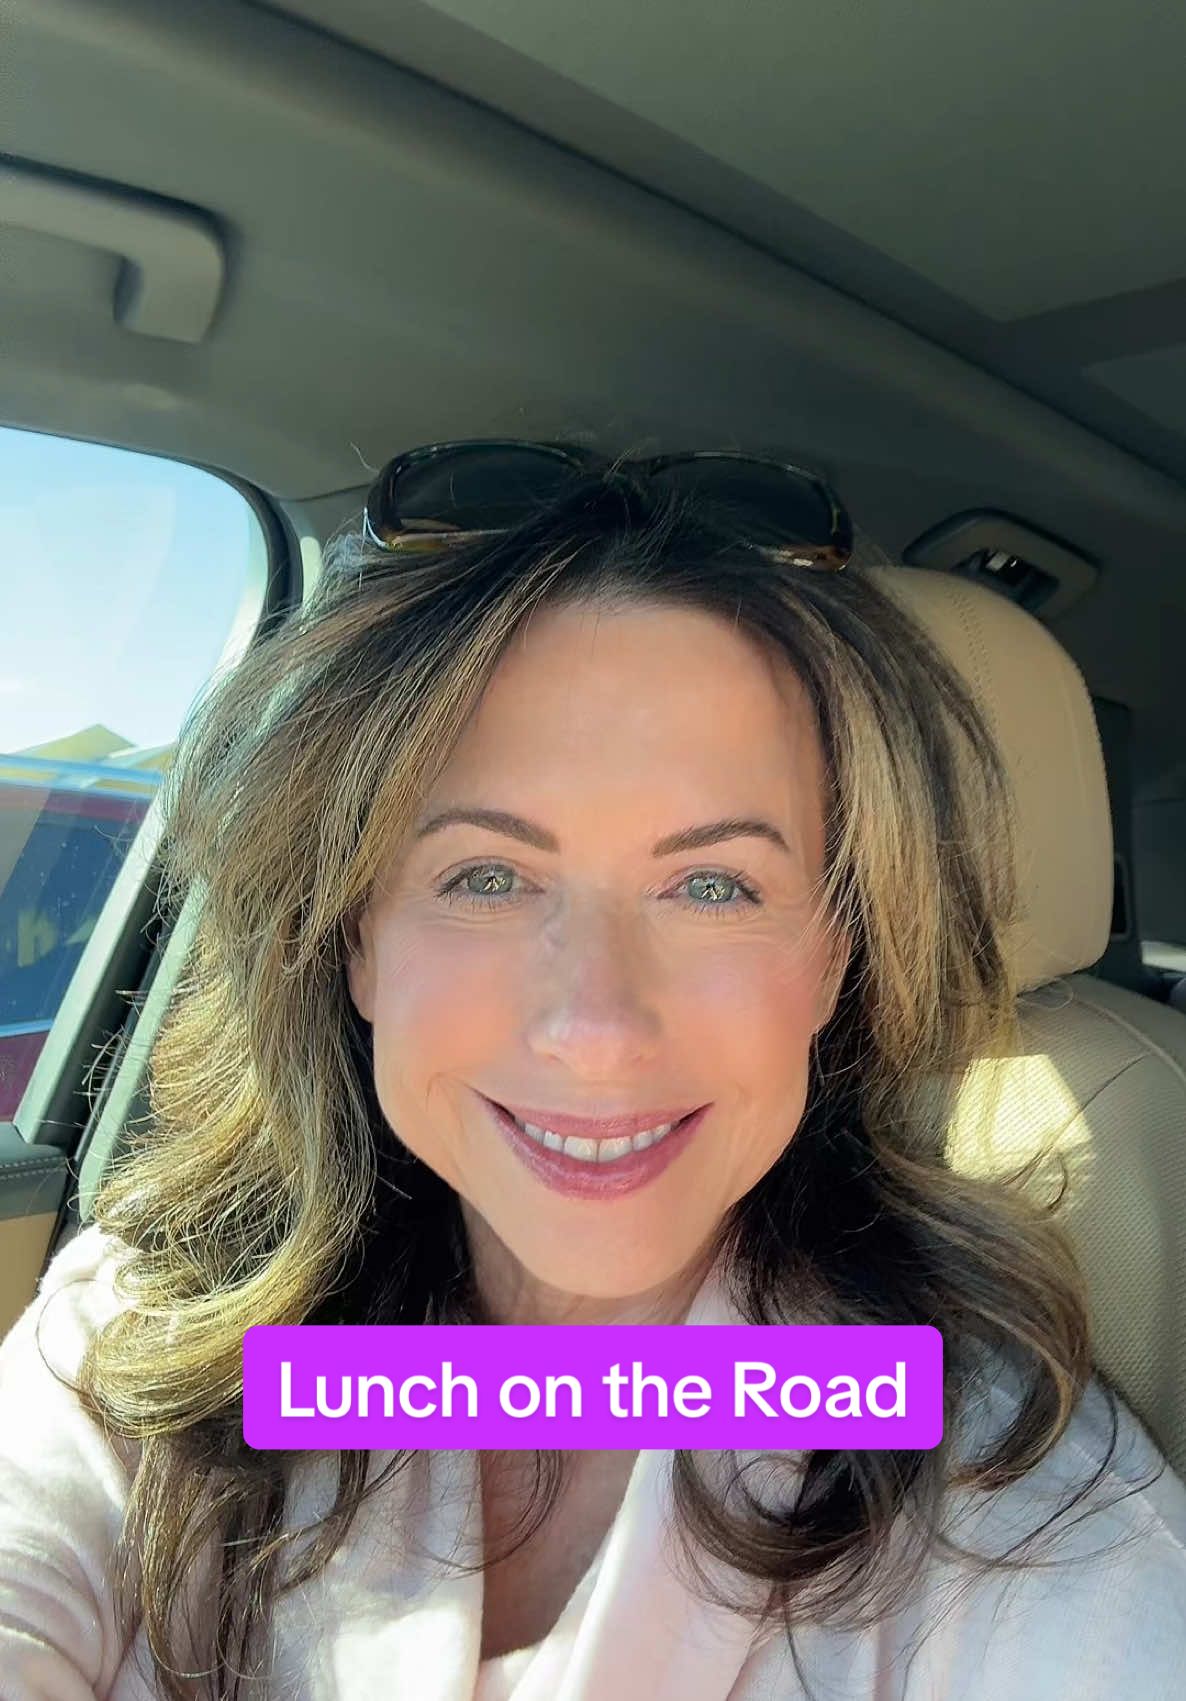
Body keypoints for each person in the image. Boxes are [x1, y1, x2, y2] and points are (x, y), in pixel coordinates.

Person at [1, 442, 1183, 1701]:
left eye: (714, 885)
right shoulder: (147, 1337)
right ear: (358, 944)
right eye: (487, 878)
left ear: (835, 957)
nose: (597, 1029)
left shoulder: (1023, 1516)